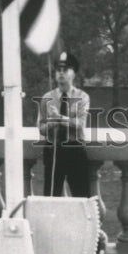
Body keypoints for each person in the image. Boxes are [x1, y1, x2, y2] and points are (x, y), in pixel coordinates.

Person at [38, 50, 90, 198]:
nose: (61, 74)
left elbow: (80, 124)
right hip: (53, 150)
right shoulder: (47, 98)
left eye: (65, 70)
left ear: (73, 74)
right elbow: (41, 129)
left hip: (75, 149)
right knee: (51, 197)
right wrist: (53, 122)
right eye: (58, 70)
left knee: (82, 197)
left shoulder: (82, 97)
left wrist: (59, 117)